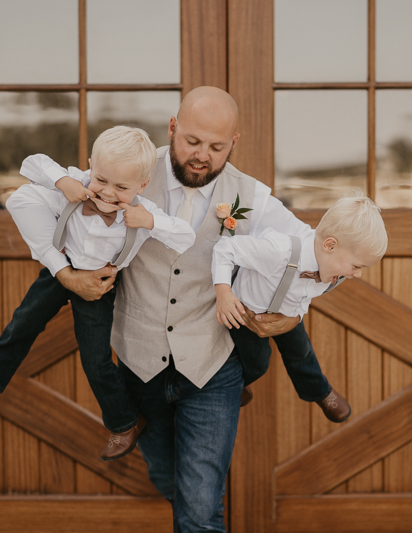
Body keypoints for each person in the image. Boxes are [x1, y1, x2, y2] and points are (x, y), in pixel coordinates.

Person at [111, 86, 310, 532]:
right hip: (139, 361)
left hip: (212, 367)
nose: (202, 155)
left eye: (217, 147)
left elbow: (310, 249)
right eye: (193, 142)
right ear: (172, 129)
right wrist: (68, 274)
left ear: (233, 143)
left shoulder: (251, 196)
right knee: (169, 480)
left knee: (200, 511)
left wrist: (296, 313)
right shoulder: (132, 170)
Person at [0, 126, 195, 462]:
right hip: (58, 270)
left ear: (142, 186)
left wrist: (151, 221)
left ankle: (125, 423)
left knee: (95, 360)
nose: (107, 194)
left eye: (121, 187)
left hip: (100, 287)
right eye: (101, 180)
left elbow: (185, 237)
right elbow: (31, 165)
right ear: (91, 166)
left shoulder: (142, 210)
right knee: (22, 325)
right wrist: (61, 181)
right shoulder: (74, 184)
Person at [212, 190, 388, 421]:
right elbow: (226, 249)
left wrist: (295, 317)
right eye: (356, 266)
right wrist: (223, 291)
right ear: (330, 246)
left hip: (287, 311)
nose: (358, 274)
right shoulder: (279, 251)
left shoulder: (334, 271)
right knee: (258, 361)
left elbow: (305, 295)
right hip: (248, 313)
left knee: (301, 353)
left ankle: (320, 391)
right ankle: (234, 387)